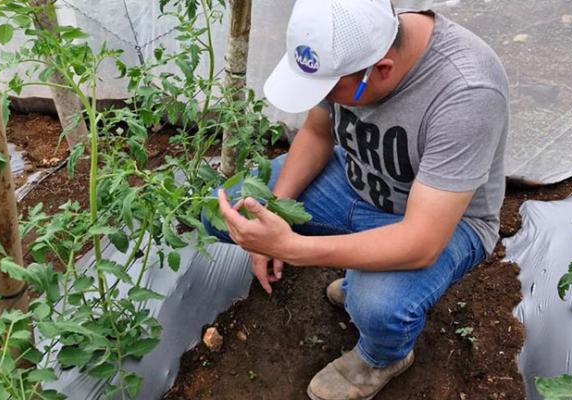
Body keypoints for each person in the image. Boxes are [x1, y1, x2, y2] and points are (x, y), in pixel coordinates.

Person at [202, 0, 509, 398]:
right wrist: (271, 212)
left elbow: (421, 242)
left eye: (331, 89)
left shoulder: (467, 92)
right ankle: (361, 273)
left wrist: (292, 247)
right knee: (222, 209)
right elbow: (317, 132)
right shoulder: (345, 44)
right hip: (352, 179)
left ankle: (382, 357)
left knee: (379, 306)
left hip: (440, 224)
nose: (327, 97)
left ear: (381, 70)